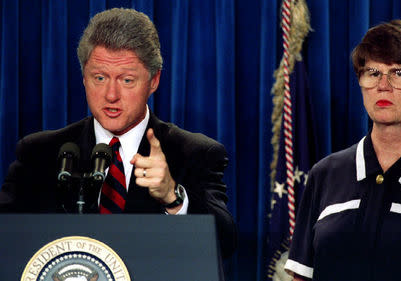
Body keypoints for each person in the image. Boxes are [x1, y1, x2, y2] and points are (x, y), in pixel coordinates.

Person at [0, 8, 237, 259]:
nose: (111, 95)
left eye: (126, 80)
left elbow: (224, 245)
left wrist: (173, 197)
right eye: (100, 78)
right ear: (83, 78)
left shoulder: (194, 153)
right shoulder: (40, 152)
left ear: (154, 80)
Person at [284, 20, 401, 280]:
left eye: (399, 73)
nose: (383, 85)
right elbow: (302, 276)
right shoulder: (325, 174)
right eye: (372, 73)